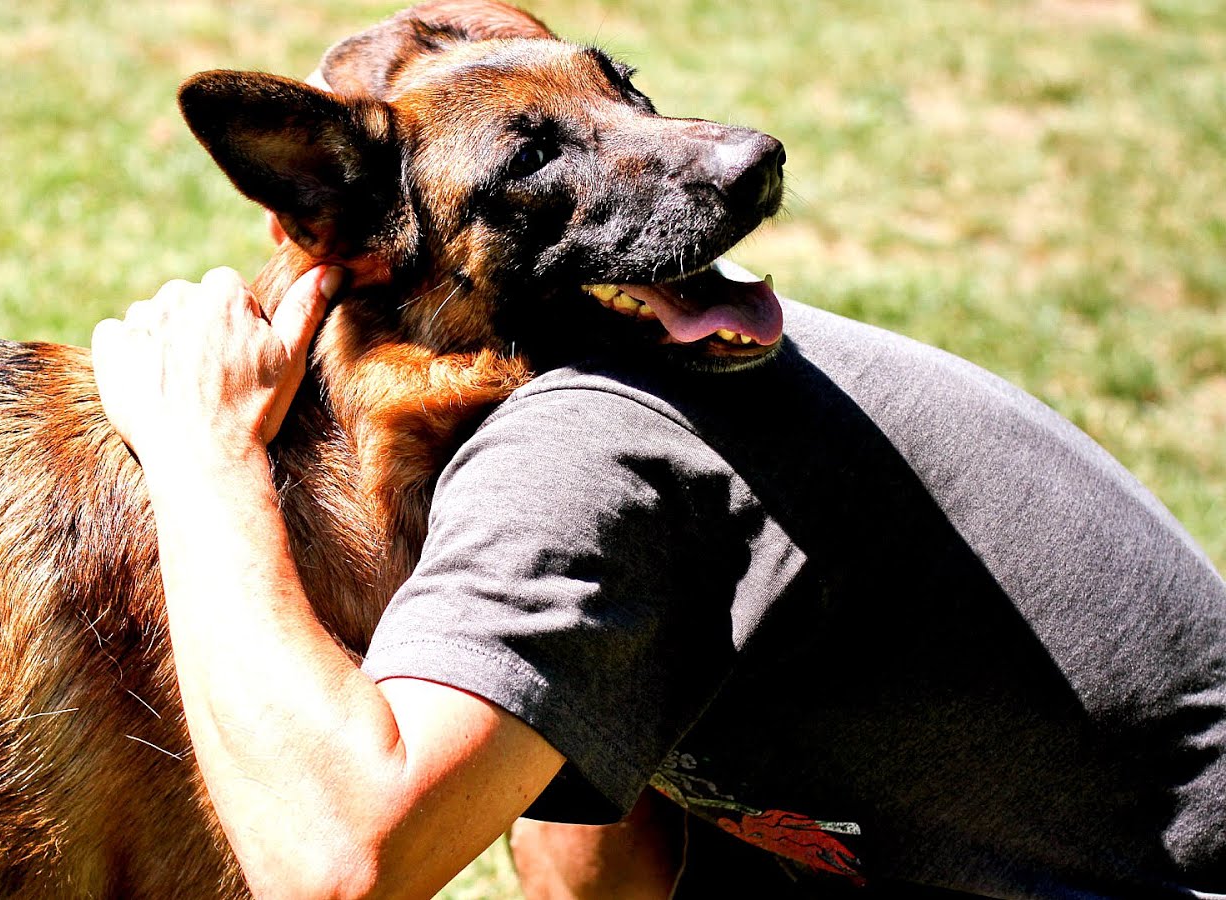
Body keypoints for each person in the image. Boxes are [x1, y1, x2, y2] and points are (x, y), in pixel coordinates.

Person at [91, 262, 1226, 899]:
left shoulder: (583, 454)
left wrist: (205, 451)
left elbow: (339, 865)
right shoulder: (629, 395)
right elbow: (585, 820)